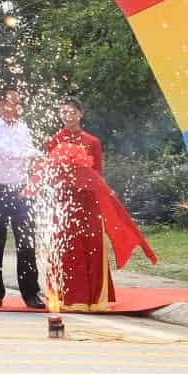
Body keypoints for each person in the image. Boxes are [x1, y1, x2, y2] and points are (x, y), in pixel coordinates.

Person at [39, 97, 156, 310]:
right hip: (64, 200)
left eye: (72, 112)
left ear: (80, 114)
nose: (68, 116)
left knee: (91, 245)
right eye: (64, 112)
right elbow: (50, 173)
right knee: (67, 246)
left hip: (88, 200)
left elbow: (97, 174)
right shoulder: (54, 141)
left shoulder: (92, 142)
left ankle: (94, 298)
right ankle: (68, 296)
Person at [0, 85, 44, 309]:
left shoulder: (22, 127)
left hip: (20, 189)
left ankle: (31, 293)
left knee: (26, 243)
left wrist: (36, 156)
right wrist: (30, 154)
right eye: (12, 102)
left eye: (19, 103)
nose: (17, 107)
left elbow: (28, 151)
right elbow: (1, 151)